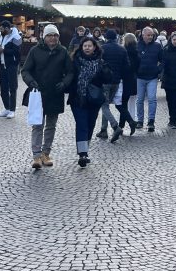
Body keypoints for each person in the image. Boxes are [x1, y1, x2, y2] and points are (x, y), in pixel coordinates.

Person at [21, 24, 73, 169]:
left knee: (51, 126)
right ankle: (36, 156)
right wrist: (31, 82)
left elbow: (70, 72)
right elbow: (25, 70)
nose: (53, 38)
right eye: (50, 35)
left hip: (55, 93)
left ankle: (46, 153)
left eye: (55, 35)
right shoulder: (35, 50)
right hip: (38, 93)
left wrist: (64, 83)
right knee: (37, 125)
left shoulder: (62, 51)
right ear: (45, 37)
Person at [68, 35, 110, 167]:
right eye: (85, 45)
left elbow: (108, 78)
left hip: (93, 99)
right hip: (77, 98)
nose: (87, 48)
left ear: (94, 47)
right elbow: (69, 76)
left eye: (89, 46)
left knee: (90, 124)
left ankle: (85, 148)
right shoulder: (74, 60)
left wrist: (104, 70)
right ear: (81, 47)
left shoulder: (100, 62)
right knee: (82, 124)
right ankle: (83, 153)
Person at [96, 29, 135, 138]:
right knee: (106, 105)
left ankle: (115, 127)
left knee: (104, 105)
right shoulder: (122, 49)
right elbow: (127, 66)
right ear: (116, 37)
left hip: (104, 81)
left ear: (106, 37)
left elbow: (97, 64)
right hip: (116, 81)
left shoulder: (102, 48)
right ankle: (103, 130)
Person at [135, 26, 163, 131]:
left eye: (152, 35)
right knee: (140, 100)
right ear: (143, 35)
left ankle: (151, 121)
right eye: (148, 35)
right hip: (139, 77)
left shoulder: (157, 46)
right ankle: (140, 121)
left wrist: (158, 70)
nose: (150, 37)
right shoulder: (137, 45)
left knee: (152, 99)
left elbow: (163, 60)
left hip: (152, 77)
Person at [0, 21, 22, 118]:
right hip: (2, 65)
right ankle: (6, 108)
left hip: (12, 65)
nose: (1, 31)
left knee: (12, 88)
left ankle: (12, 110)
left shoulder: (16, 37)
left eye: (2, 29)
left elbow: (17, 52)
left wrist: (3, 50)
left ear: (7, 28)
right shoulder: (2, 36)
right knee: (3, 89)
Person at [121, 32, 141, 133]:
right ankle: (132, 118)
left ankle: (123, 123)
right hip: (133, 79)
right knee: (132, 101)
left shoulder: (123, 51)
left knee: (123, 103)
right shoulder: (137, 52)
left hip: (124, 79)